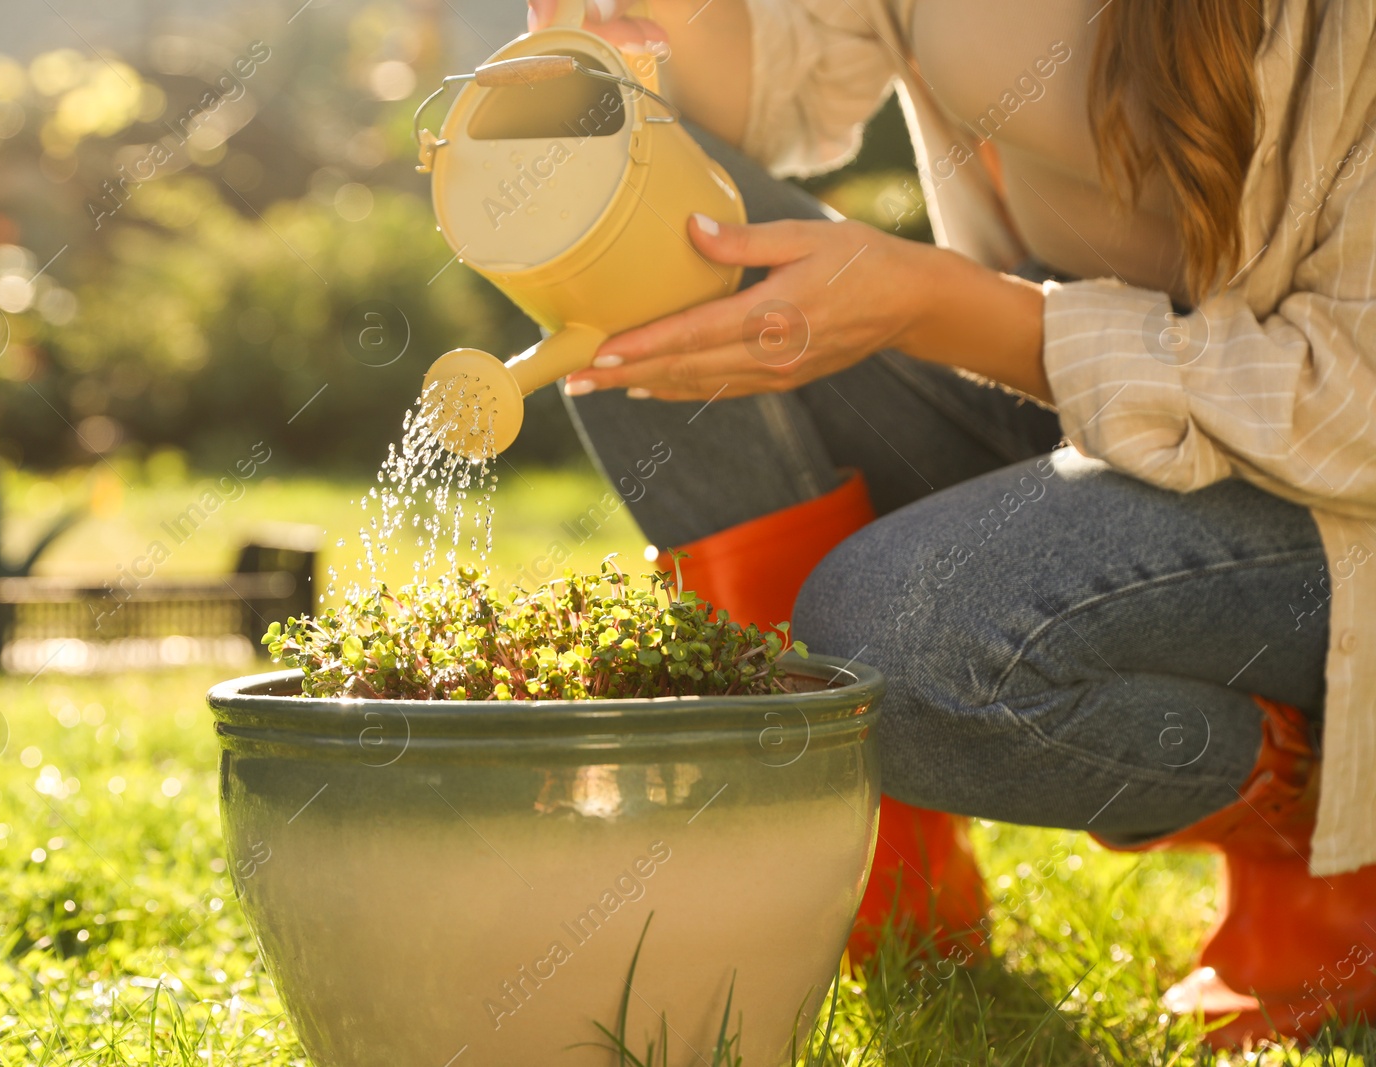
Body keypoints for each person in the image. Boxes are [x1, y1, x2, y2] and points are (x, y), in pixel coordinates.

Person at [529, 0, 1376, 1047]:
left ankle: (1327, 828)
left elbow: (1354, 404)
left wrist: (938, 307)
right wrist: (633, 28)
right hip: (1064, 395)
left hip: (1323, 497)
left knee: (894, 642)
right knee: (613, 215)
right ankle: (885, 895)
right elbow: (771, 84)